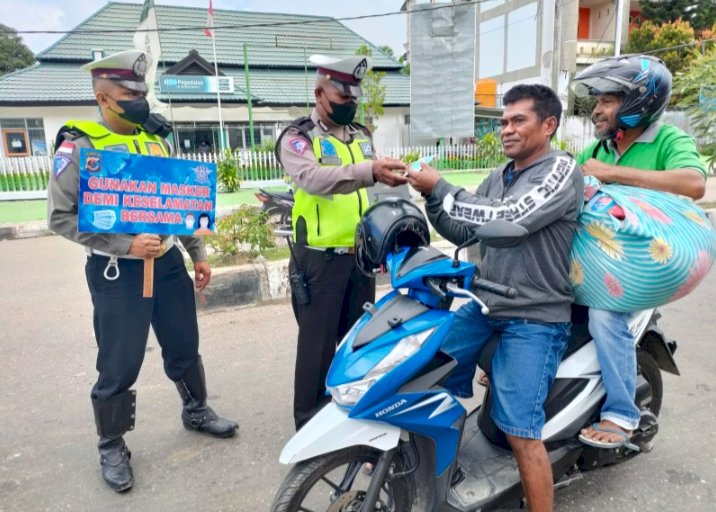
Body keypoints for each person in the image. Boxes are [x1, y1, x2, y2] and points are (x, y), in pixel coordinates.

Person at [47, 50, 238, 493]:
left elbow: (179, 203)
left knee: (184, 345)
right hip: (117, 272)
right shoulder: (80, 146)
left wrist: (198, 252)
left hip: (168, 264)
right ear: (103, 98)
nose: (139, 100)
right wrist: (124, 243)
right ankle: (111, 444)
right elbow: (60, 216)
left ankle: (196, 409)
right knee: (119, 362)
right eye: (128, 94)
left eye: (142, 92)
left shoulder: (156, 139)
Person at [407, 84, 584, 512]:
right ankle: (434, 468)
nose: (506, 129)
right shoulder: (499, 175)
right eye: (503, 121)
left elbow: (510, 216)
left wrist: (442, 186)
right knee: (419, 373)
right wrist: (431, 197)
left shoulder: (559, 170)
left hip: (535, 317)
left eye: (517, 120)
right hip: (486, 305)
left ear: (549, 124)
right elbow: (467, 230)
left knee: (523, 433)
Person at [570, 55, 707, 449]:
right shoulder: (600, 148)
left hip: (646, 264)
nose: (597, 109)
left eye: (608, 100)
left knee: (603, 316)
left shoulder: (667, 139)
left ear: (638, 102)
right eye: (597, 100)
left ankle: (622, 413)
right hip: (601, 260)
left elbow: (693, 184)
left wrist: (611, 173)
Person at [275, 54, 408, 430]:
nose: (349, 106)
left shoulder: (362, 135)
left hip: (361, 259)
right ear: (320, 95)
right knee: (316, 349)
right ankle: (309, 427)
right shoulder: (298, 137)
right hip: (319, 260)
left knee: (359, 342)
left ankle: (351, 418)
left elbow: (371, 187)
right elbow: (313, 179)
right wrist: (370, 171)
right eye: (342, 99)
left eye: (354, 100)